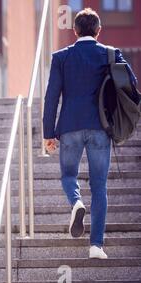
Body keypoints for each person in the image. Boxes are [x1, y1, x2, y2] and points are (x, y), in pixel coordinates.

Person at [43, 8, 138, 259]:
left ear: (74, 31)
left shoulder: (61, 57)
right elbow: (132, 85)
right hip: (100, 126)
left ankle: (76, 202)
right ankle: (96, 245)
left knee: (68, 175)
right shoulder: (109, 53)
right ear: (98, 30)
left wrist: (48, 133)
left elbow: (51, 97)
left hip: (69, 126)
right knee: (99, 186)